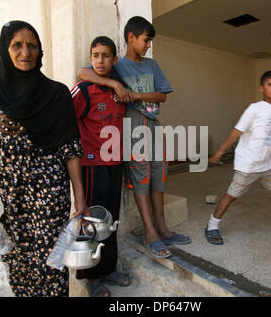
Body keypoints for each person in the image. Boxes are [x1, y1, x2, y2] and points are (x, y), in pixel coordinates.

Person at [0, 21, 88, 297]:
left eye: (32, 45)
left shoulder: (56, 94)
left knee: (51, 265)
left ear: (40, 51)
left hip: (49, 195)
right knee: (18, 264)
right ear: (6, 51)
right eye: (17, 45)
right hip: (13, 199)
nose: (25, 52)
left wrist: (80, 199)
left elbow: (71, 150)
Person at [77, 16, 191, 259]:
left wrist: (135, 95)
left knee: (159, 174)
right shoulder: (117, 66)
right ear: (131, 38)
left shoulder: (151, 65)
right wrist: (114, 84)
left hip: (153, 123)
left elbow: (163, 96)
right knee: (142, 176)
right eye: (145, 40)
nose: (148, 45)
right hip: (132, 125)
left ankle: (162, 228)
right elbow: (82, 72)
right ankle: (150, 234)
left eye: (149, 41)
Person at [205, 70, 271, 245]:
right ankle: (211, 226)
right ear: (262, 88)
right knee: (232, 194)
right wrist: (220, 151)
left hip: (267, 164)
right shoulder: (255, 108)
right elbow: (237, 131)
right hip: (249, 163)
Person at [71, 36, 131, 297]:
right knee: (93, 220)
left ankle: (108, 268)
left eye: (105, 55)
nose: (100, 60)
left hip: (115, 163)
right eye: (95, 55)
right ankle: (90, 276)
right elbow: (65, 119)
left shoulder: (120, 91)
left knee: (111, 221)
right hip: (92, 165)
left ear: (114, 59)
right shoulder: (84, 89)